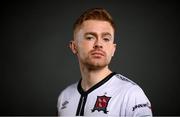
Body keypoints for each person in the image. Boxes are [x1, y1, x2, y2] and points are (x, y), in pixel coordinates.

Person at [57, 7, 152, 116]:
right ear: (74, 47)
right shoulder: (64, 96)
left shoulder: (131, 94)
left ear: (113, 49)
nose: (99, 44)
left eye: (106, 39)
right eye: (90, 37)